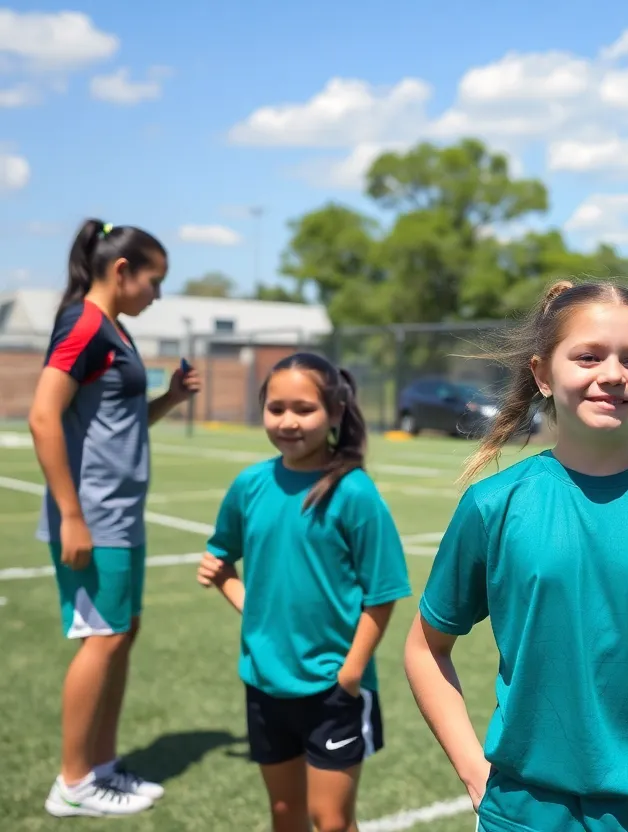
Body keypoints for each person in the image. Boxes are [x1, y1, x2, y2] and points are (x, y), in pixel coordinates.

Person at [403, 280, 628, 832]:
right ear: (542, 374)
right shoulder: (493, 505)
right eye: (588, 356)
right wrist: (475, 774)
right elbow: (426, 648)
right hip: (521, 813)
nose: (614, 374)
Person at [196, 353, 411, 832]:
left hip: (332, 687)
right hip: (265, 681)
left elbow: (383, 594)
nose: (288, 421)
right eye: (276, 409)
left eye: (303, 408)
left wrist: (351, 674)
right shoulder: (249, 484)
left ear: (334, 413)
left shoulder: (353, 492)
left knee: (331, 821)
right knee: (284, 813)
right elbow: (219, 560)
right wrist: (233, 589)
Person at [29, 219, 200, 818]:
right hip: (95, 516)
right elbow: (44, 418)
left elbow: (116, 424)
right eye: (155, 280)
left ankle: (100, 768)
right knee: (101, 638)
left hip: (120, 514)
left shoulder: (113, 330)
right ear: (122, 270)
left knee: (121, 635)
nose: (157, 293)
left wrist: (171, 399)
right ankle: (73, 783)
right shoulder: (82, 324)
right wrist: (72, 516)